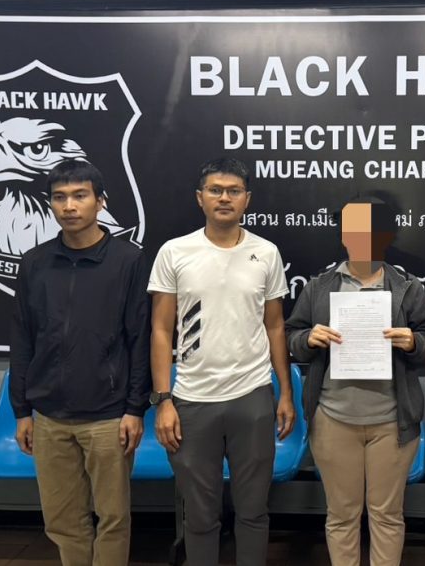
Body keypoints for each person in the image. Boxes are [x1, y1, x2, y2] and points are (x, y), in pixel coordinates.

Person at [148, 157, 296, 566]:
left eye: (233, 191)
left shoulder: (265, 253)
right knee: (199, 516)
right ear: (200, 198)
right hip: (193, 400)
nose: (224, 198)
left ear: (247, 199)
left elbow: (275, 327)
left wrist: (285, 393)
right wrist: (163, 400)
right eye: (215, 190)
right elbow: (160, 330)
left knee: (253, 511)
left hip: (253, 397)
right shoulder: (175, 252)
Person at [9, 159, 152, 566]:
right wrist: (22, 411)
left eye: (80, 196)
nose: (69, 206)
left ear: (100, 202)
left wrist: (134, 408)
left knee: (112, 518)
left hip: (108, 416)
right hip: (49, 416)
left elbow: (139, 339)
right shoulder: (35, 263)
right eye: (60, 197)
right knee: (62, 520)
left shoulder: (128, 260)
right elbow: (22, 339)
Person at [285, 196, 425, 566]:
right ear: (343, 235)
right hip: (333, 420)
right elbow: (291, 337)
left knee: (387, 516)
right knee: (341, 516)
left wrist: (414, 342)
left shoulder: (408, 287)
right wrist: (307, 339)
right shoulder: (319, 287)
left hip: (392, 422)